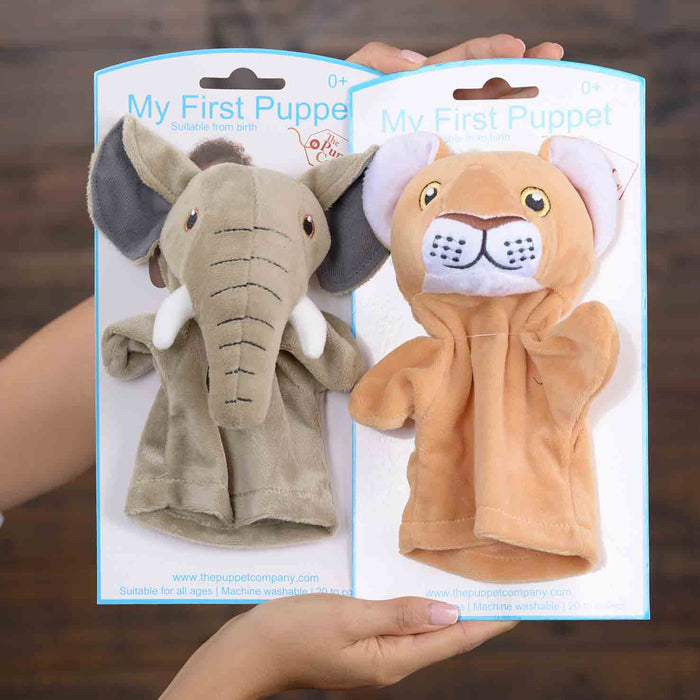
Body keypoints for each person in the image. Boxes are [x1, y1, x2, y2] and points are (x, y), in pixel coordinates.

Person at [0, 35, 563, 697]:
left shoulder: (271, 321)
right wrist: (256, 655)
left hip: (296, 493)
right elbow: (352, 379)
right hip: (193, 484)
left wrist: (316, 128)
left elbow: (346, 374)